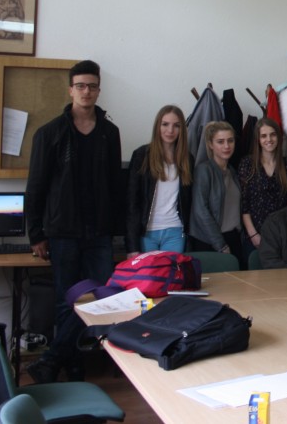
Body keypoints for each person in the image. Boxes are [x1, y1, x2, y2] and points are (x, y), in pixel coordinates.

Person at [25, 60, 122, 383]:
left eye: (92, 86)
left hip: (99, 233)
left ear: (99, 90)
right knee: (66, 301)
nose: (86, 92)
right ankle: (73, 363)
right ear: (70, 90)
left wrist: (118, 231)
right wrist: (35, 234)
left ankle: (54, 359)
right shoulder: (49, 133)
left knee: (99, 299)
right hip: (62, 232)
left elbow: (114, 185)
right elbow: (35, 188)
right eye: (80, 86)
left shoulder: (109, 133)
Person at [126, 105, 193, 256]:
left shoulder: (188, 159)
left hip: (175, 231)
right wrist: (132, 246)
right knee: (149, 272)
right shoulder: (141, 155)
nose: (170, 130)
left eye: (176, 126)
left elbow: (188, 201)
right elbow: (132, 203)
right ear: (158, 126)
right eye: (165, 124)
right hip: (147, 232)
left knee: (172, 271)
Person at [188, 121, 245, 266]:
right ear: (210, 144)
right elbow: (200, 211)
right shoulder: (204, 170)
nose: (227, 146)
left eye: (230, 141)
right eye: (220, 141)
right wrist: (220, 244)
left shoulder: (233, 172)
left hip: (233, 238)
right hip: (209, 241)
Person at [238, 118, 287, 255]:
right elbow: (244, 205)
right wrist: (254, 235)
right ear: (258, 139)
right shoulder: (247, 164)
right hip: (254, 236)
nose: (269, 139)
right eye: (264, 136)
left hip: (283, 236)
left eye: (273, 134)